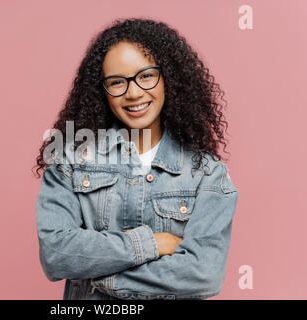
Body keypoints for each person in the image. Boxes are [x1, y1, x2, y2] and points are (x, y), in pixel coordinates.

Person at [33, 18, 239, 300]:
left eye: (145, 76)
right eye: (117, 82)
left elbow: (204, 274)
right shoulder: (69, 162)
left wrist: (103, 280)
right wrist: (150, 244)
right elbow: (56, 253)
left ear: (169, 77)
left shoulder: (206, 173)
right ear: (102, 91)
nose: (133, 93)